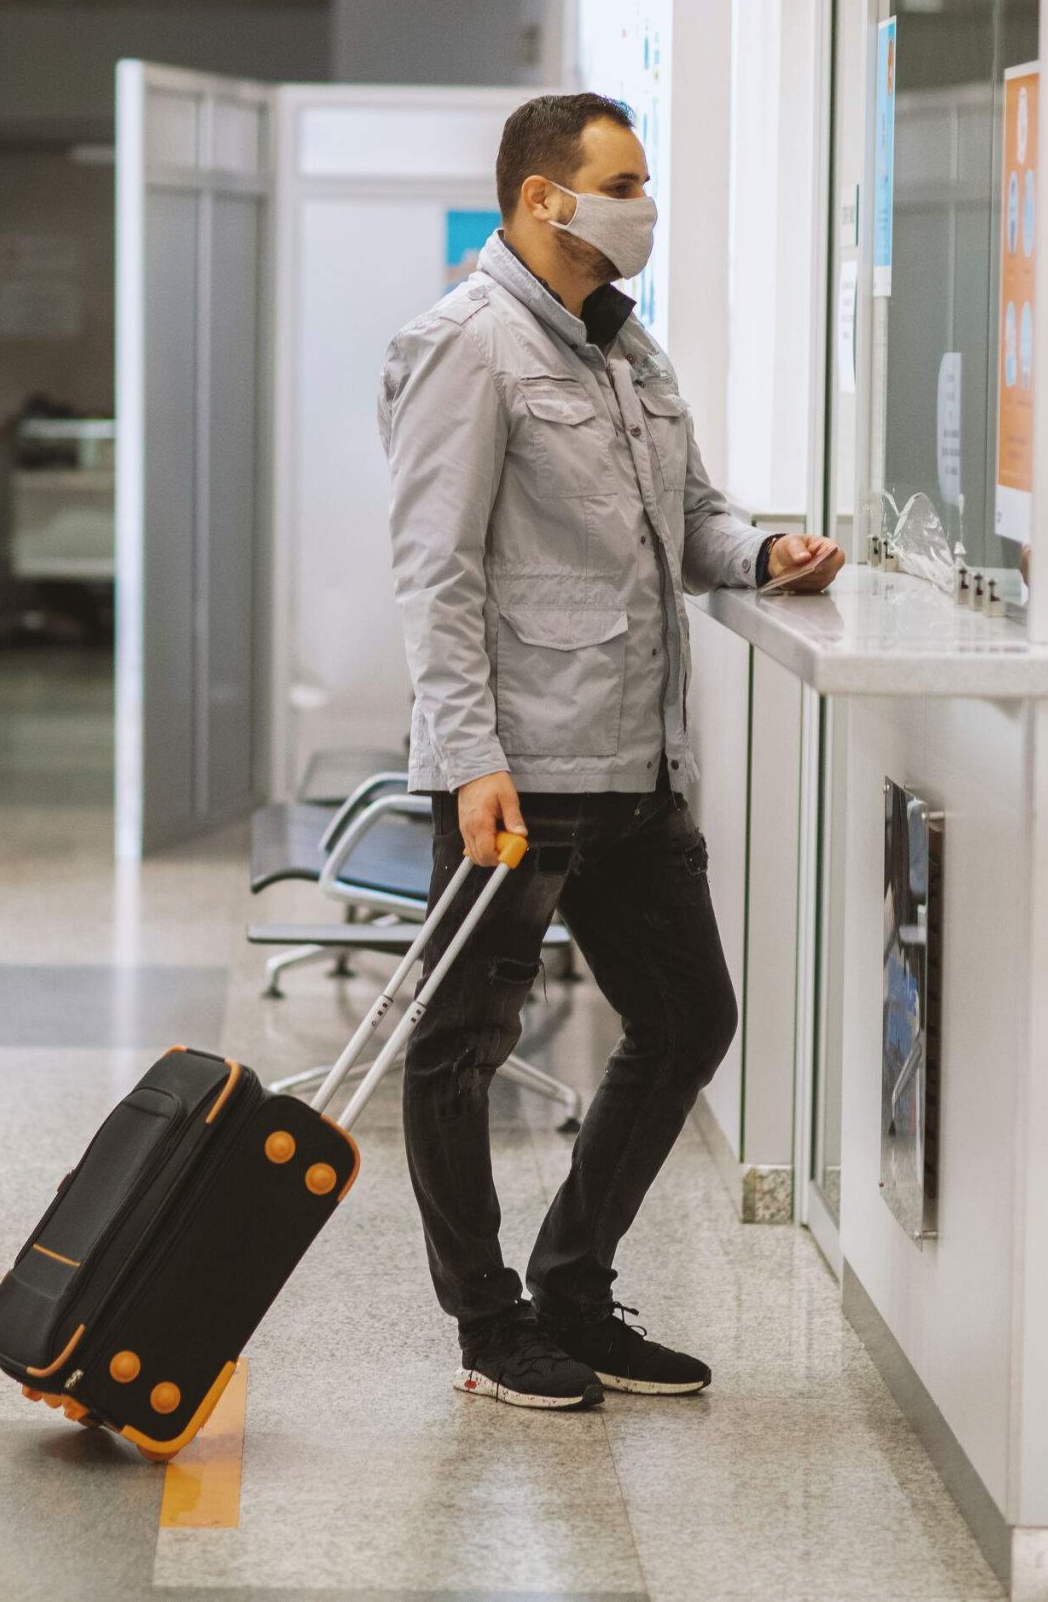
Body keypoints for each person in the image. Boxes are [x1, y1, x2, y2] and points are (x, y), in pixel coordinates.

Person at [378, 93, 843, 1411]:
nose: (645, 204)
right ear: (544, 198)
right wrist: (470, 759)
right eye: (624, 181)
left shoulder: (628, 349)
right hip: (521, 767)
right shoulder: (465, 347)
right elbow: (435, 576)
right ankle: (491, 1325)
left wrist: (764, 553)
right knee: (463, 1040)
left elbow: (690, 520)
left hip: (638, 761)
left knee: (692, 1015)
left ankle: (576, 1288)